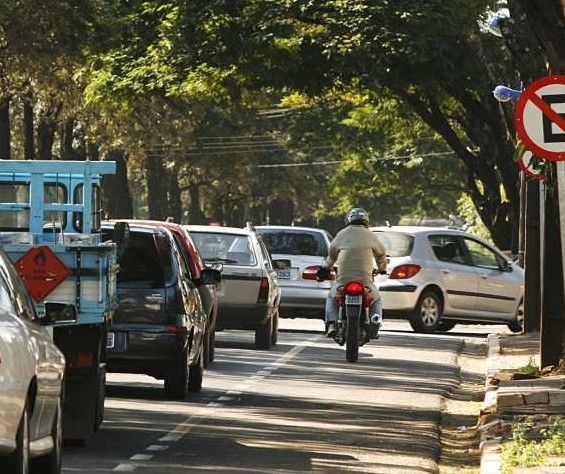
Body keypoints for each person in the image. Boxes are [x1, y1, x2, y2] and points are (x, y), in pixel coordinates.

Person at [316, 207, 387, 337]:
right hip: (366, 283)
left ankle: (331, 323)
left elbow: (331, 256)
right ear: (366, 220)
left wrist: (325, 270)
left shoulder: (341, 234)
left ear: (349, 219)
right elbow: (381, 255)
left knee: (331, 298)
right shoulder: (372, 236)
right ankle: (374, 322)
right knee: (376, 300)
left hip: (343, 281)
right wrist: (382, 269)